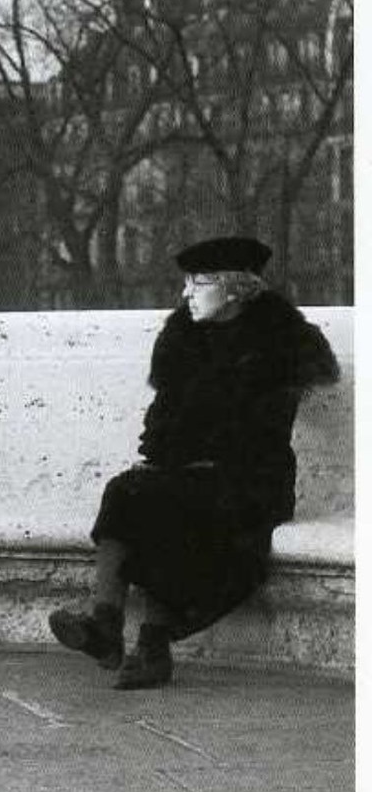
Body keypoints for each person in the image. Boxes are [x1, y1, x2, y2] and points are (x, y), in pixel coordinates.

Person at [48, 236, 339, 689]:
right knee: (128, 490)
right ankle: (105, 623)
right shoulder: (183, 339)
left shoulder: (277, 341)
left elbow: (257, 429)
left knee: (169, 502)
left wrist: (191, 454)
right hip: (191, 473)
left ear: (234, 288)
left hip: (252, 480)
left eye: (198, 283)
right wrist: (169, 457)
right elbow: (161, 424)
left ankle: (152, 646)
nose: (186, 293)